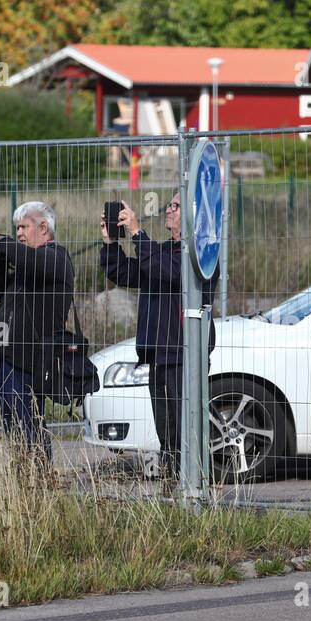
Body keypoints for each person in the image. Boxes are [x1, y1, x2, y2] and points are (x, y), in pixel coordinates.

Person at [100, 192, 217, 480]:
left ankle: (199, 488)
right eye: (169, 205)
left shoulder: (201, 253)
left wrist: (138, 233)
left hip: (184, 352)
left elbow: (167, 272)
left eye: (176, 206)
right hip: (159, 353)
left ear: (192, 216)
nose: (169, 210)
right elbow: (126, 273)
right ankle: (175, 488)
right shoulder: (162, 251)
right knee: (167, 433)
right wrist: (111, 243)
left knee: (187, 430)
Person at [0, 201, 75, 466]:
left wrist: (3, 243)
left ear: (43, 227)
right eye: (16, 228)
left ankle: (38, 477)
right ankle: (25, 476)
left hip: (33, 359)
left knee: (29, 421)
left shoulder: (56, 257)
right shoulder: (26, 263)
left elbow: (29, 260)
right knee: (11, 419)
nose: (19, 232)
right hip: (8, 356)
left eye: (24, 226)